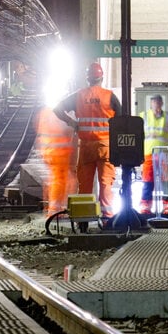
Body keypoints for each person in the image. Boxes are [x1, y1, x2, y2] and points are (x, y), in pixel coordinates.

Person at [53, 62, 121, 220]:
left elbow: (57, 108)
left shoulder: (79, 95)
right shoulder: (109, 96)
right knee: (105, 184)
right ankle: (107, 218)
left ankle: (83, 219)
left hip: (86, 147)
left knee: (85, 185)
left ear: (88, 79)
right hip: (105, 147)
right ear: (101, 77)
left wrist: (72, 123)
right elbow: (122, 118)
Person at [139, 94, 168, 216]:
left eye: (158, 102)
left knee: (166, 181)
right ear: (151, 103)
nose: (156, 104)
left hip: (163, 154)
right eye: (154, 102)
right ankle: (145, 207)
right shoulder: (143, 116)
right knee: (147, 181)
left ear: (161, 103)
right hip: (148, 154)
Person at [34, 106, 75, 216]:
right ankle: (55, 211)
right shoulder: (62, 115)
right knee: (59, 181)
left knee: (55, 181)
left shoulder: (45, 112)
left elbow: (38, 130)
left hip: (49, 152)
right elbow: (70, 130)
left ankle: (53, 208)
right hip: (59, 154)